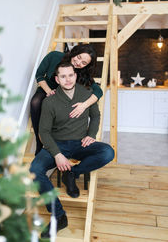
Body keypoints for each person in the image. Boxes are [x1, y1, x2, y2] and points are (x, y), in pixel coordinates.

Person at [29, 62, 114, 238]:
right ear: (57, 79)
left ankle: (73, 173)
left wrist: (91, 134)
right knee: (35, 171)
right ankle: (59, 216)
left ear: (75, 76)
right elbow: (43, 132)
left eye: (70, 75)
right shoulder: (50, 101)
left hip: (81, 143)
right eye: (63, 76)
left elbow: (95, 115)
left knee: (107, 152)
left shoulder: (87, 94)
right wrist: (57, 154)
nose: (67, 79)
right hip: (56, 144)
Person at [30, 44, 103, 155]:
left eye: (84, 63)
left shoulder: (82, 73)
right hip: (47, 89)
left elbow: (98, 91)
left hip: (64, 95)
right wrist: (49, 91)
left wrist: (83, 105)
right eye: (79, 57)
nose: (79, 63)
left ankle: (60, 145)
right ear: (75, 52)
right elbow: (39, 75)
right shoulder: (54, 56)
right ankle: (39, 144)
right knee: (35, 102)